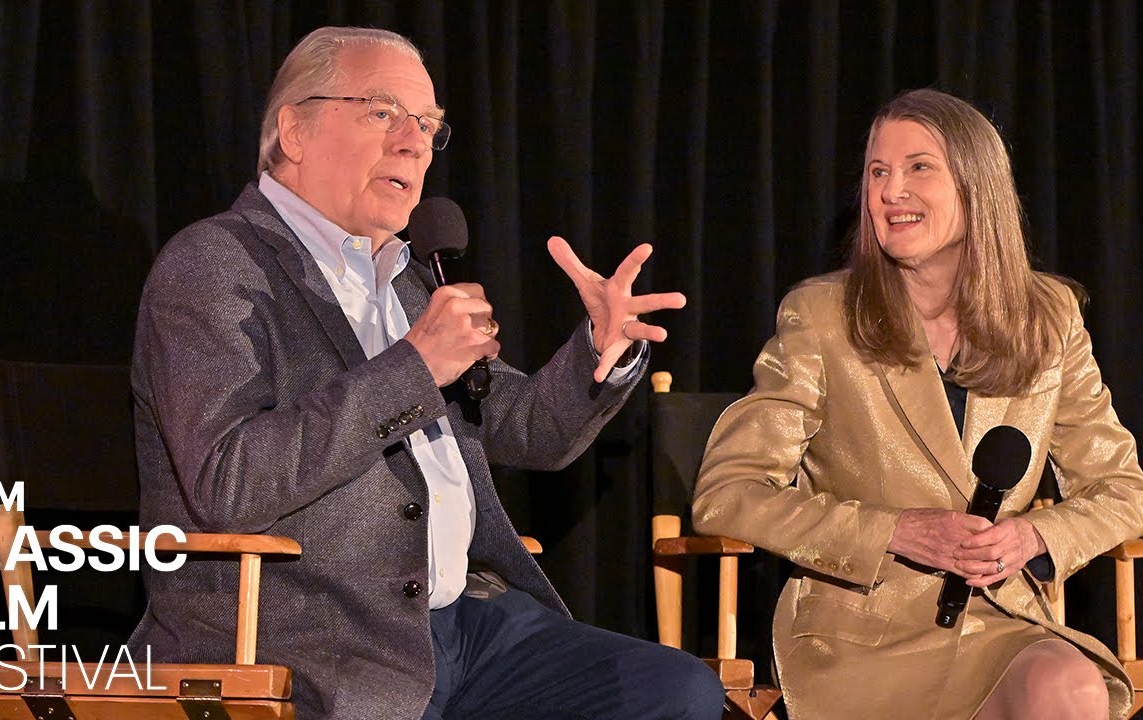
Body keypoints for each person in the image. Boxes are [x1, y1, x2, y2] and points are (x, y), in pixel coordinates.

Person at [127, 26, 723, 720]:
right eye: (383, 112)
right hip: (313, 638)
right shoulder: (213, 265)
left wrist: (599, 350)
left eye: (428, 125)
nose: (414, 142)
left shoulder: (406, 278)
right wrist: (414, 367)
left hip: (465, 625)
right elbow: (226, 482)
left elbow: (526, 428)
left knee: (674, 693)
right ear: (294, 131)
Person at [692, 88, 1143, 720]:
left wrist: (1032, 537)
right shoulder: (822, 315)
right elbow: (728, 492)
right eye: (877, 172)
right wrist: (895, 531)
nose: (891, 191)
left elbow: (1124, 490)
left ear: (976, 185)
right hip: (862, 633)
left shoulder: (1048, 318)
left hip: (997, 622)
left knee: (1070, 687)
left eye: (918, 168)